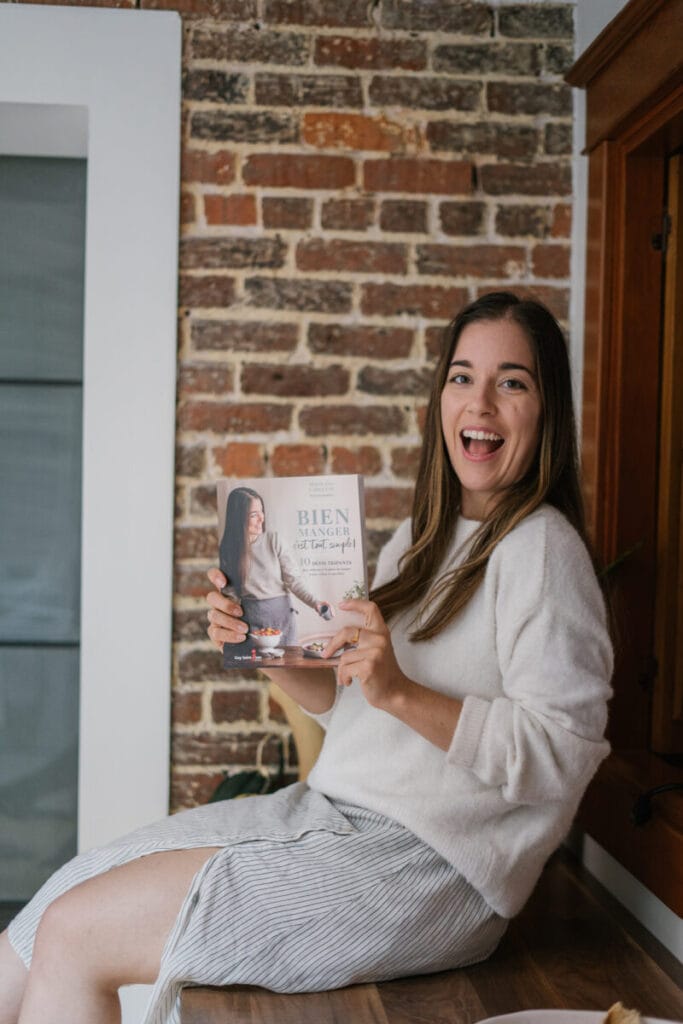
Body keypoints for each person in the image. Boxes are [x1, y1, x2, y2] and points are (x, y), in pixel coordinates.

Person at [0, 291, 613, 1024]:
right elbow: (350, 708)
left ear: (545, 411)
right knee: (37, 926)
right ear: (439, 398)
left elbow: (563, 757)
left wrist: (398, 692)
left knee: (79, 933)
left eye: (511, 382)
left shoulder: (543, 550)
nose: (479, 402)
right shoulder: (424, 538)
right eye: (461, 377)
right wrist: (264, 644)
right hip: (331, 813)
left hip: (429, 867)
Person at [218, 485, 332, 649]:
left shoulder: (273, 540)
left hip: (283, 619)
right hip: (249, 622)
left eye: (261, 512)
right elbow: (229, 594)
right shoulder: (227, 550)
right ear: (238, 519)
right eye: (254, 515)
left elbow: (294, 581)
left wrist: (316, 603)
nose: (262, 519)